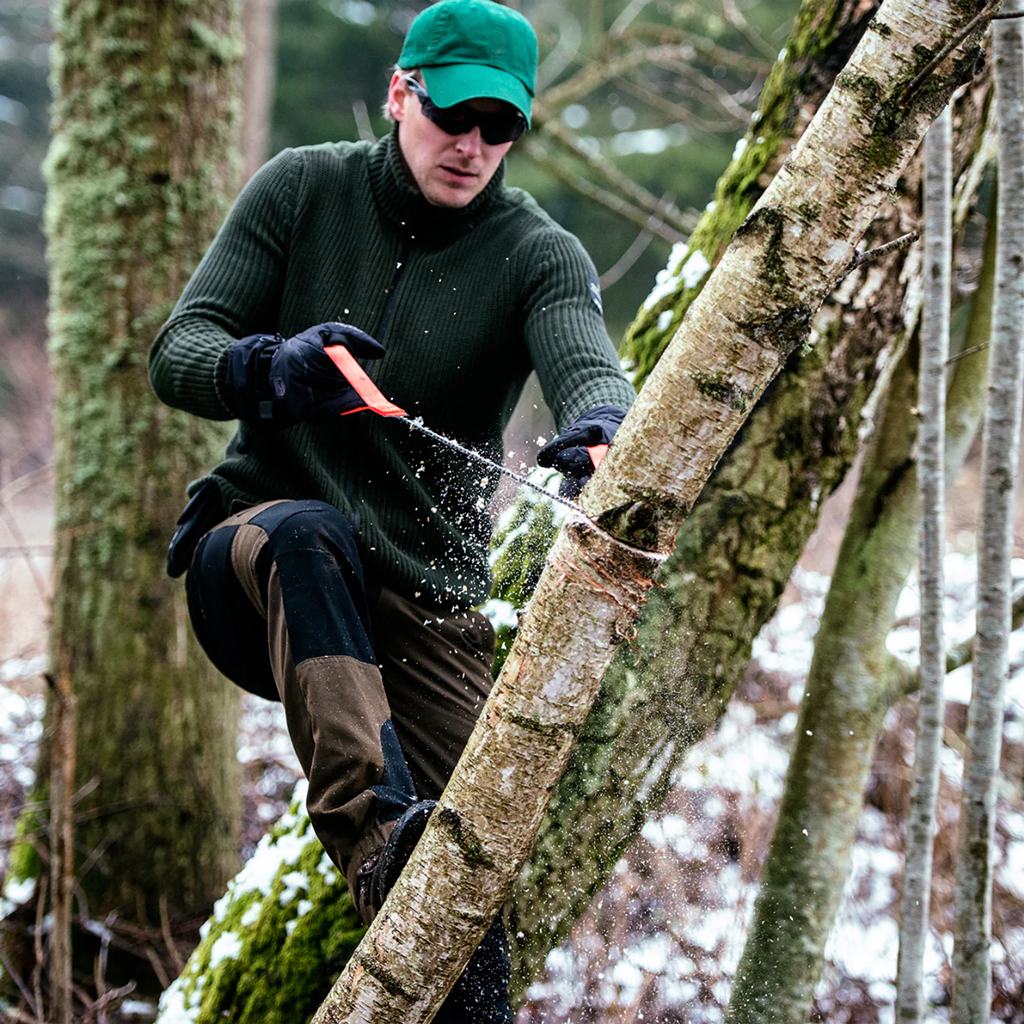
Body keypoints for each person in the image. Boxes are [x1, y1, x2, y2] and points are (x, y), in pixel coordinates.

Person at [149, 0, 634, 1018]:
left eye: (498, 128)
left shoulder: (535, 251)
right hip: (254, 558)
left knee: (473, 876)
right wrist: (266, 370)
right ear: (399, 93)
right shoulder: (303, 187)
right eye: (452, 114)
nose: (470, 146)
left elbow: (586, 358)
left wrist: (597, 428)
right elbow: (177, 351)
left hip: (423, 604)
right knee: (305, 533)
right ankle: (375, 841)